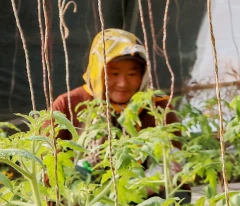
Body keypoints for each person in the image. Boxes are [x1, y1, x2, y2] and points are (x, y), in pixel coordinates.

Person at [50, 29, 178, 136]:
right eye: (114, 74)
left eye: (132, 74)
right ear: (97, 72)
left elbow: (175, 159)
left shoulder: (158, 107)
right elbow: (46, 158)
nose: (122, 83)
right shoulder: (67, 105)